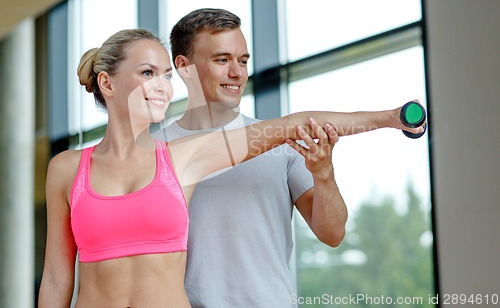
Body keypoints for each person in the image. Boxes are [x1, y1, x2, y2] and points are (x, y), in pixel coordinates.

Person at [38, 27, 424, 307]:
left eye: (166, 76)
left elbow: (293, 124)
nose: (162, 86)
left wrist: (390, 118)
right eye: (147, 73)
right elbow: (57, 276)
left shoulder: (183, 157)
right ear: (107, 82)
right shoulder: (67, 169)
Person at [158, 8, 424, 307]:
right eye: (222, 60)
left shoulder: (282, 145)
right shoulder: (154, 152)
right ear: (184, 66)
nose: (237, 72)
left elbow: (333, 233)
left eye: (243, 61)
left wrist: (324, 173)